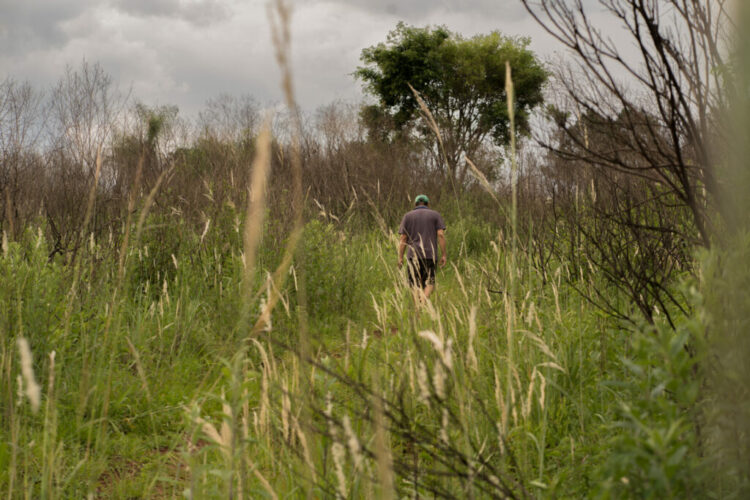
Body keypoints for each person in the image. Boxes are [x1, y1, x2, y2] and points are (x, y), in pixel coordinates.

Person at [398, 194, 447, 301]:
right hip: (430, 255)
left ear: (415, 204)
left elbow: (403, 238)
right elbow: (440, 234)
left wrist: (400, 258)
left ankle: (418, 309)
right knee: (430, 282)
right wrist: (444, 254)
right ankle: (423, 301)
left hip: (413, 255)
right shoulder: (435, 215)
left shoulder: (408, 216)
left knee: (414, 284)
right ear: (428, 204)